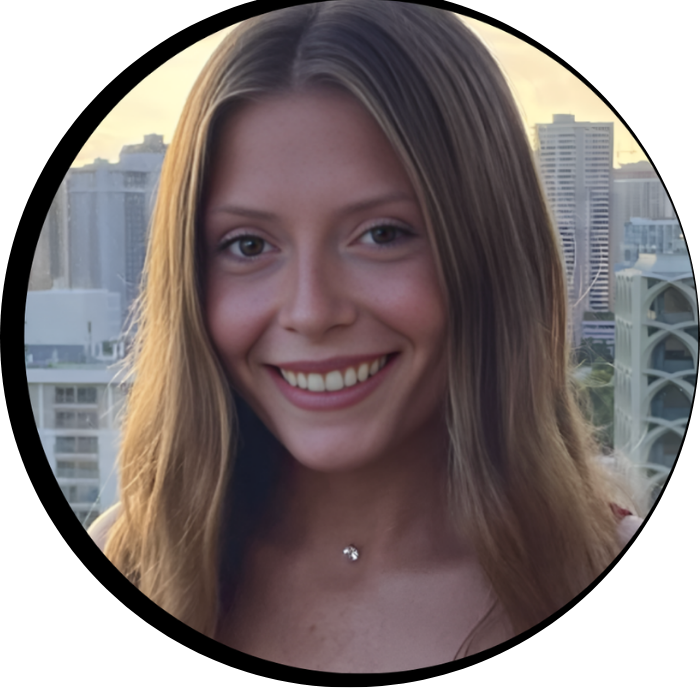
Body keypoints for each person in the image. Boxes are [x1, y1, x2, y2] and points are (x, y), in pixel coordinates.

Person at [88, 1, 643, 671]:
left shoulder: (597, 564)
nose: (311, 311)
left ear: (493, 254)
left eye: (382, 235)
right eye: (248, 244)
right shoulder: (135, 561)